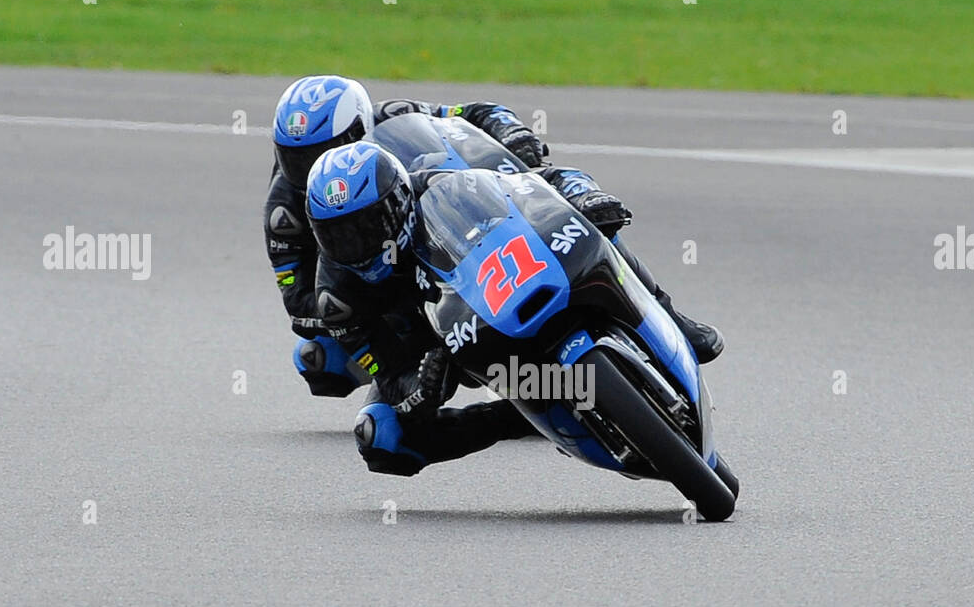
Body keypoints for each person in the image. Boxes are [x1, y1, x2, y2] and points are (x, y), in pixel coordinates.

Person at [305, 141, 722, 477]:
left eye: (365, 227)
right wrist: (421, 387)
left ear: (397, 201)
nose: (355, 246)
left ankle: (671, 319)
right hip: (425, 345)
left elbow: (532, 186)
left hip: (489, 287)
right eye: (337, 235)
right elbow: (387, 372)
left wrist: (584, 195)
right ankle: (518, 418)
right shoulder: (337, 300)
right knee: (381, 439)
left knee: (593, 225)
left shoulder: (440, 186)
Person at [263, 75, 546, 398]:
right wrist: (365, 296)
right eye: (294, 159)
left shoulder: (396, 115)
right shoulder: (284, 212)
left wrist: (513, 134)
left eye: (321, 152)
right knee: (319, 360)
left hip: (441, 224)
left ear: (359, 129)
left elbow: (476, 113)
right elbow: (299, 307)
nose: (316, 170)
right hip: (375, 282)